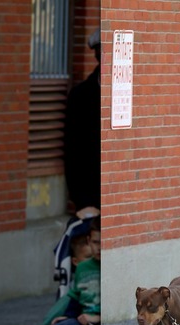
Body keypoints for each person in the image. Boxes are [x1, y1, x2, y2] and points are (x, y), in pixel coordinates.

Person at [28, 234, 93, 325]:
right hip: (80, 305)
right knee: (67, 299)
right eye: (87, 257)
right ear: (75, 261)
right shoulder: (81, 274)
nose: (91, 261)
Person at [63, 29, 101, 219]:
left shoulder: (137, 94)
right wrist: (83, 202)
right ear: (97, 55)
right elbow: (73, 153)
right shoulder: (81, 97)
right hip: (92, 202)